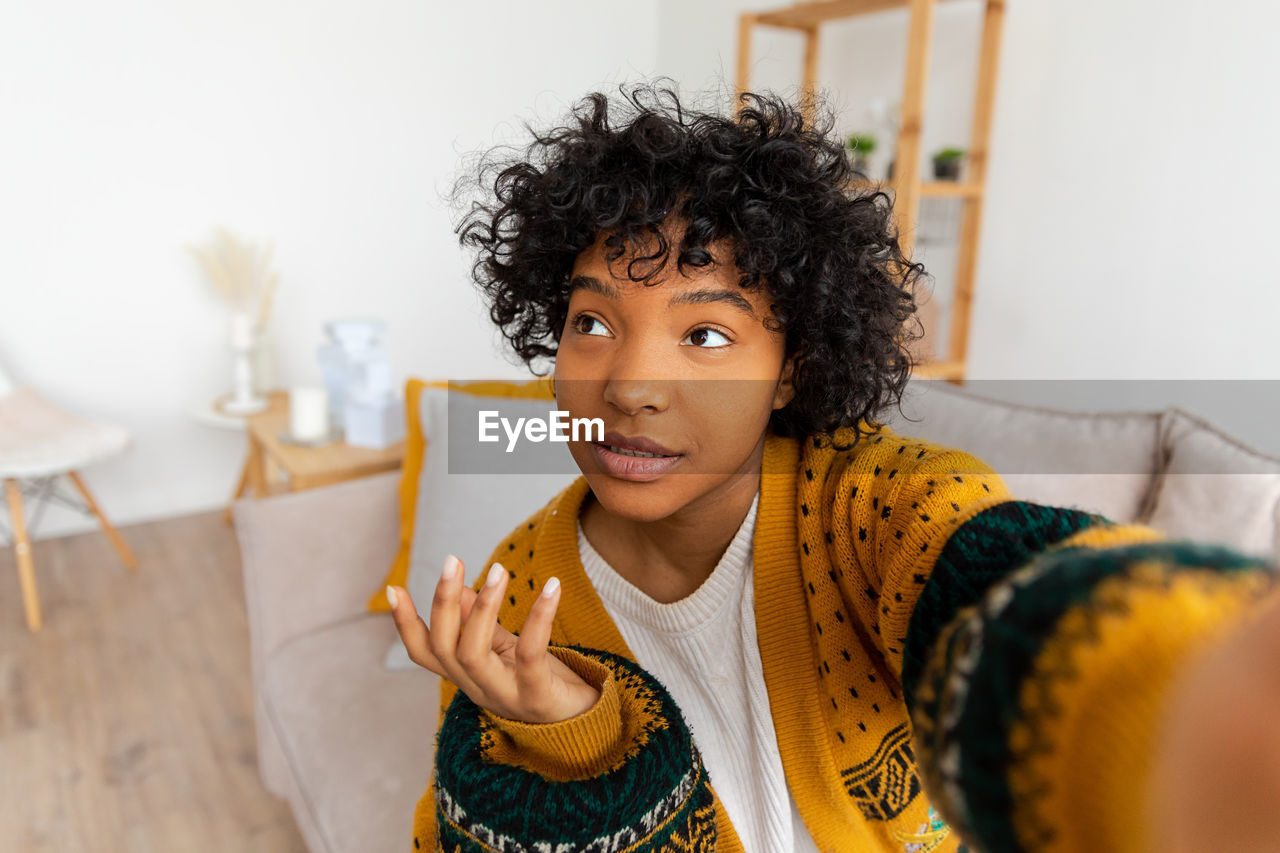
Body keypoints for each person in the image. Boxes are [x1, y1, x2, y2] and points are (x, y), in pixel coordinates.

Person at [386, 80, 1280, 852]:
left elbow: (1006, 594)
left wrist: (1195, 697)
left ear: (792, 371)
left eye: (704, 334)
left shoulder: (875, 504)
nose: (628, 387)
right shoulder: (516, 594)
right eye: (592, 322)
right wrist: (564, 739)